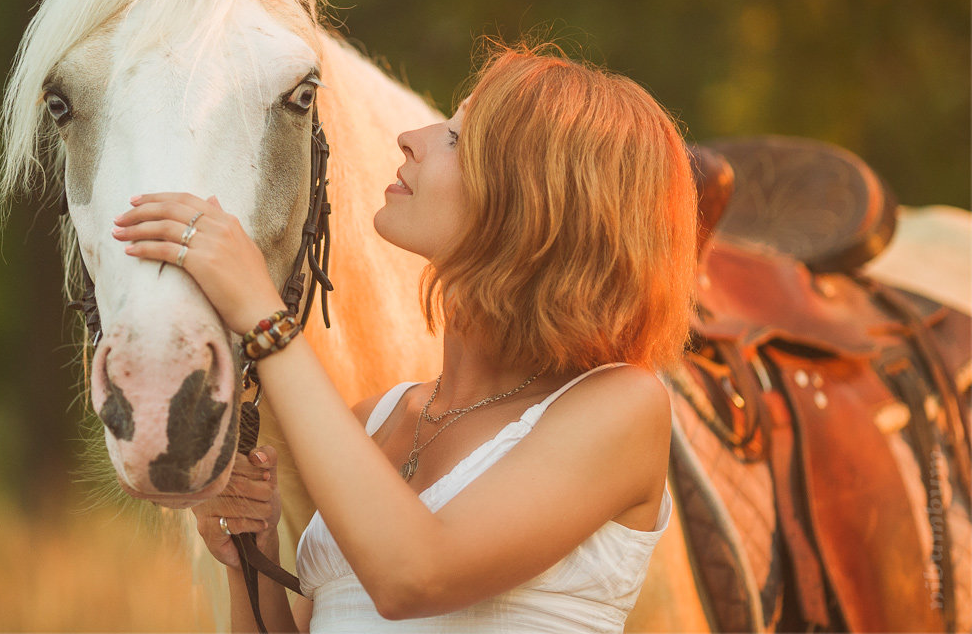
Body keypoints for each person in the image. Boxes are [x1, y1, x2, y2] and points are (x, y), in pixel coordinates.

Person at [111, 41, 699, 632]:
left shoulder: (622, 406)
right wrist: (250, 555)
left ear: (536, 204)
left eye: (456, 139)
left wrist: (264, 314)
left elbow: (415, 577)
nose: (410, 137)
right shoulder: (375, 420)